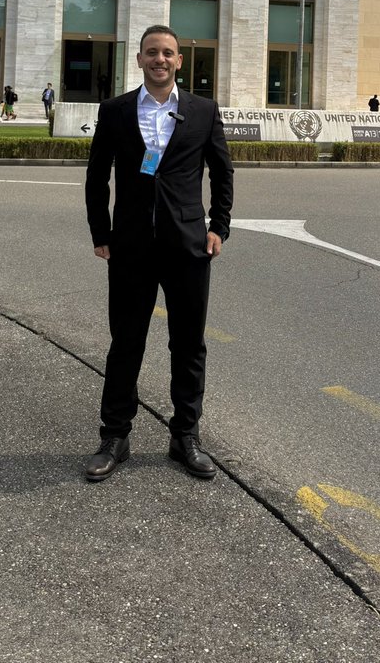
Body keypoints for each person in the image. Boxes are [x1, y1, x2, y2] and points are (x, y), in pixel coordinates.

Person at [84, 24, 234, 484]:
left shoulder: (203, 111)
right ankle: (115, 437)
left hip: (188, 247)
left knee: (188, 345)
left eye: (168, 53)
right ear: (140, 59)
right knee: (126, 342)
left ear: (179, 61)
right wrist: (100, 231)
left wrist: (218, 226)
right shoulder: (115, 111)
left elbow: (223, 172)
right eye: (152, 52)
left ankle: (185, 436)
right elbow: (96, 178)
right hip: (130, 246)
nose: (160, 59)